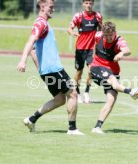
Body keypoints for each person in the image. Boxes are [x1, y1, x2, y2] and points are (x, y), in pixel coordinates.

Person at [17, 0, 84, 135]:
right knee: (73, 94)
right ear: (42, 7)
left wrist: (41, 69)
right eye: (51, 7)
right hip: (54, 69)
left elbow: (34, 50)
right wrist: (22, 60)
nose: (53, 9)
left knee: (59, 99)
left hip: (47, 70)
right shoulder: (41, 23)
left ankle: (31, 119)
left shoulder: (43, 24)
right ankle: (72, 129)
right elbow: (31, 42)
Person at [90, 21, 138, 134]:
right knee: (113, 81)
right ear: (103, 33)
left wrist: (121, 53)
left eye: (111, 35)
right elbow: (93, 48)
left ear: (115, 32)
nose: (109, 37)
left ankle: (97, 127)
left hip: (113, 70)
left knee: (111, 100)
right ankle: (131, 91)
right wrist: (90, 62)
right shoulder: (98, 35)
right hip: (98, 67)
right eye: (106, 35)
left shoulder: (119, 40)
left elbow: (127, 50)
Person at [67, 0, 102, 104]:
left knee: (92, 70)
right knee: (79, 72)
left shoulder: (98, 16)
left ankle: (86, 92)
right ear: (83, 4)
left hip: (92, 49)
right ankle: (77, 93)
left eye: (90, 3)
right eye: (86, 3)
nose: (88, 5)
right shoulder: (78, 16)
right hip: (80, 49)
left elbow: (100, 30)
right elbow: (69, 28)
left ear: (93, 4)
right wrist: (72, 32)